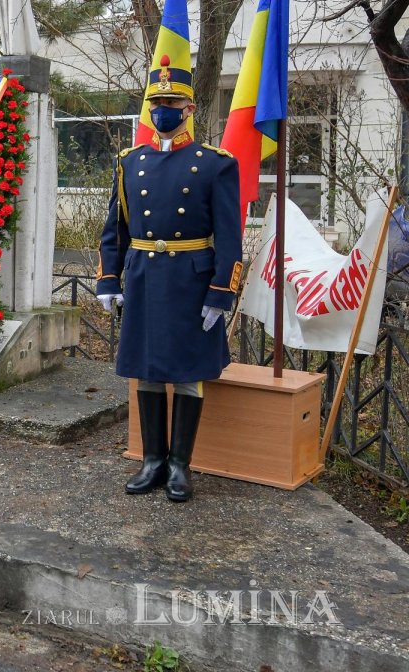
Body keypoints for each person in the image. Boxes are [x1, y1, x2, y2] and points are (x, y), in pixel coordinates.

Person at [95, 55, 242, 502]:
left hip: (191, 281)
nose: (162, 110)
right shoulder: (130, 162)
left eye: (171, 102)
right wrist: (108, 278)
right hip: (144, 277)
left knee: (187, 372)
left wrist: (221, 291)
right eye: (156, 103)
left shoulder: (215, 163)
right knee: (147, 370)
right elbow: (115, 228)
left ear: (189, 108)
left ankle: (180, 465)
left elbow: (229, 235)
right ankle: (152, 460)